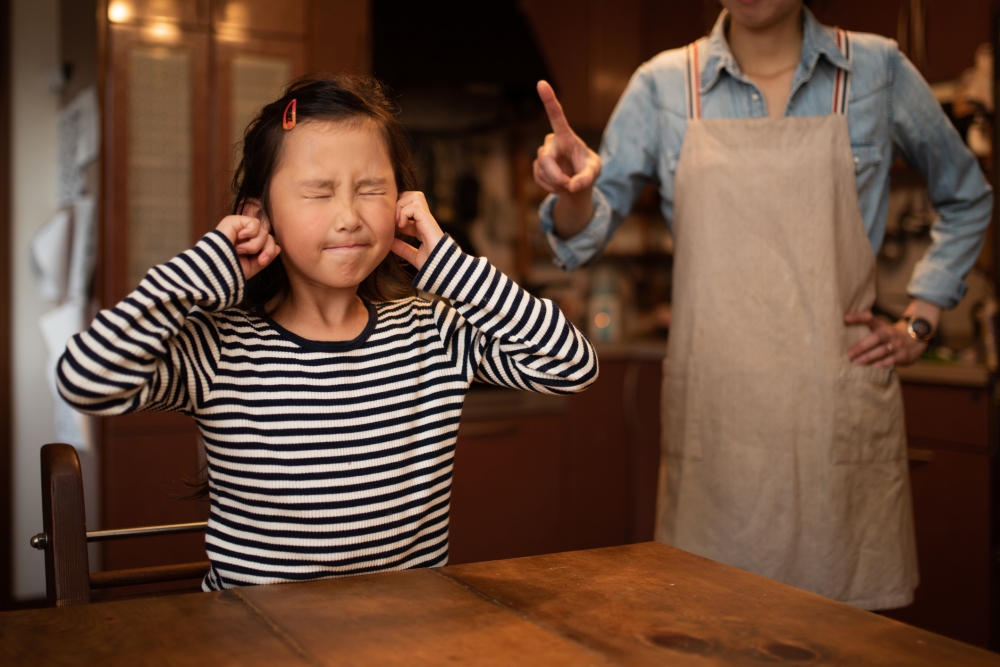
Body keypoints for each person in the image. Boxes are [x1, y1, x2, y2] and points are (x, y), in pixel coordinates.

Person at [533, 0, 991, 610]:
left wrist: (920, 319)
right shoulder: (663, 85)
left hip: (833, 417)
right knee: (710, 623)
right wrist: (574, 193)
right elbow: (581, 237)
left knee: (843, 637)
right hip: (719, 426)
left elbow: (967, 196)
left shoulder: (877, 71)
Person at [58, 73, 597, 590]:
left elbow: (572, 366)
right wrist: (202, 271)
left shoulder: (433, 331)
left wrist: (451, 267)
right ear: (259, 216)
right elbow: (87, 379)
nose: (349, 217)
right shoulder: (219, 347)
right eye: (318, 192)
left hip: (409, 631)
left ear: (403, 204)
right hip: (255, 635)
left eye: (371, 189)